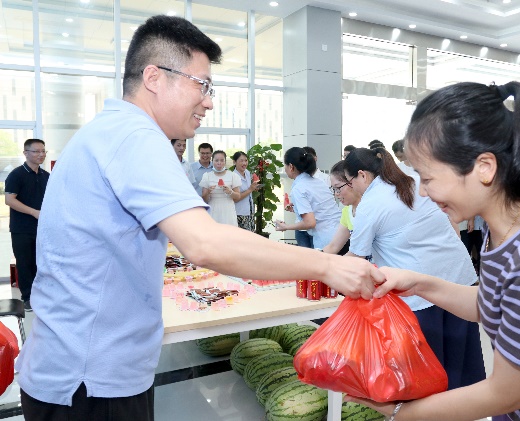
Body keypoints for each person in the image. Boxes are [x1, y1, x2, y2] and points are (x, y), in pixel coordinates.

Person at [15, 15, 383, 421]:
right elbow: (205, 243)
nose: (209, 101)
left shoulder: (110, 131)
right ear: (154, 77)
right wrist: (328, 265)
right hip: (89, 380)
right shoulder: (135, 137)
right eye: (202, 85)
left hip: (78, 368)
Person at [347, 81, 520, 421]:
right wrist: (418, 283)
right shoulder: (508, 228)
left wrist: (401, 411)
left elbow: (506, 393)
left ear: (485, 167)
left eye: (428, 178)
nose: (424, 193)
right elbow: (493, 305)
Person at [343, 147, 485, 392]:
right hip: (457, 276)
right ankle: (467, 407)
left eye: (348, 182)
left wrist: (321, 268)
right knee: (461, 361)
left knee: (430, 370)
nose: (350, 188)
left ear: (362, 175)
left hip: (421, 293)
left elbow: (356, 257)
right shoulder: (413, 178)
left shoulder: (371, 203)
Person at [4, 138, 50, 312]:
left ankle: (42, 296)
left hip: (42, 228)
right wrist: (33, 212)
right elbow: (9, 200)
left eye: (43, 151)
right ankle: (28, 298)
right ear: (25, 153)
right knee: (25, 264)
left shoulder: (46, 176)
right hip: (21, 229)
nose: (41, 154)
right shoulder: (16, 175)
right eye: (36, 151)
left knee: (41, 263)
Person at [275, 147, 341, 249]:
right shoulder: (318, 182)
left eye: (285, 165)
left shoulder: (299, 188)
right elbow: (320, 208)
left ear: (291, 167)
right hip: (341, 233)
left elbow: (310, 223)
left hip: (326, 239)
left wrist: (286, 227)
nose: (285, 168)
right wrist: (297, 209)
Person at [322, 161, 360, 255]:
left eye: (338, 188)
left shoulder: (370, 209)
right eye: (334, 189)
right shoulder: (347, 212)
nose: (336, 194)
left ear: (353, 182)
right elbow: (333, 246)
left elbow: (358, 254)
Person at [199, 150, 241, 226]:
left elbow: (238, 196)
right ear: (212, 161)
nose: (219, 163)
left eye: (222, 160)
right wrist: (208, 192)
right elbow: (204, 199)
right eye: (216, 160)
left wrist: (230, 192)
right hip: (213, 208)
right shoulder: (207, 176)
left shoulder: (233, 176)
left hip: (228, 210)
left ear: (225, 161)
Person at [231, 151, 260, 231]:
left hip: (249, 211)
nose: (244, 163)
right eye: (241, 161)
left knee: (250, 235)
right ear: (234, 162)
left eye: (246, 160)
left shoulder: (247, 173)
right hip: (239, 214)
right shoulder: (233, 176)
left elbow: (248, 190)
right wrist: (250, 189)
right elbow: (235, 199)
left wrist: (254, 188)